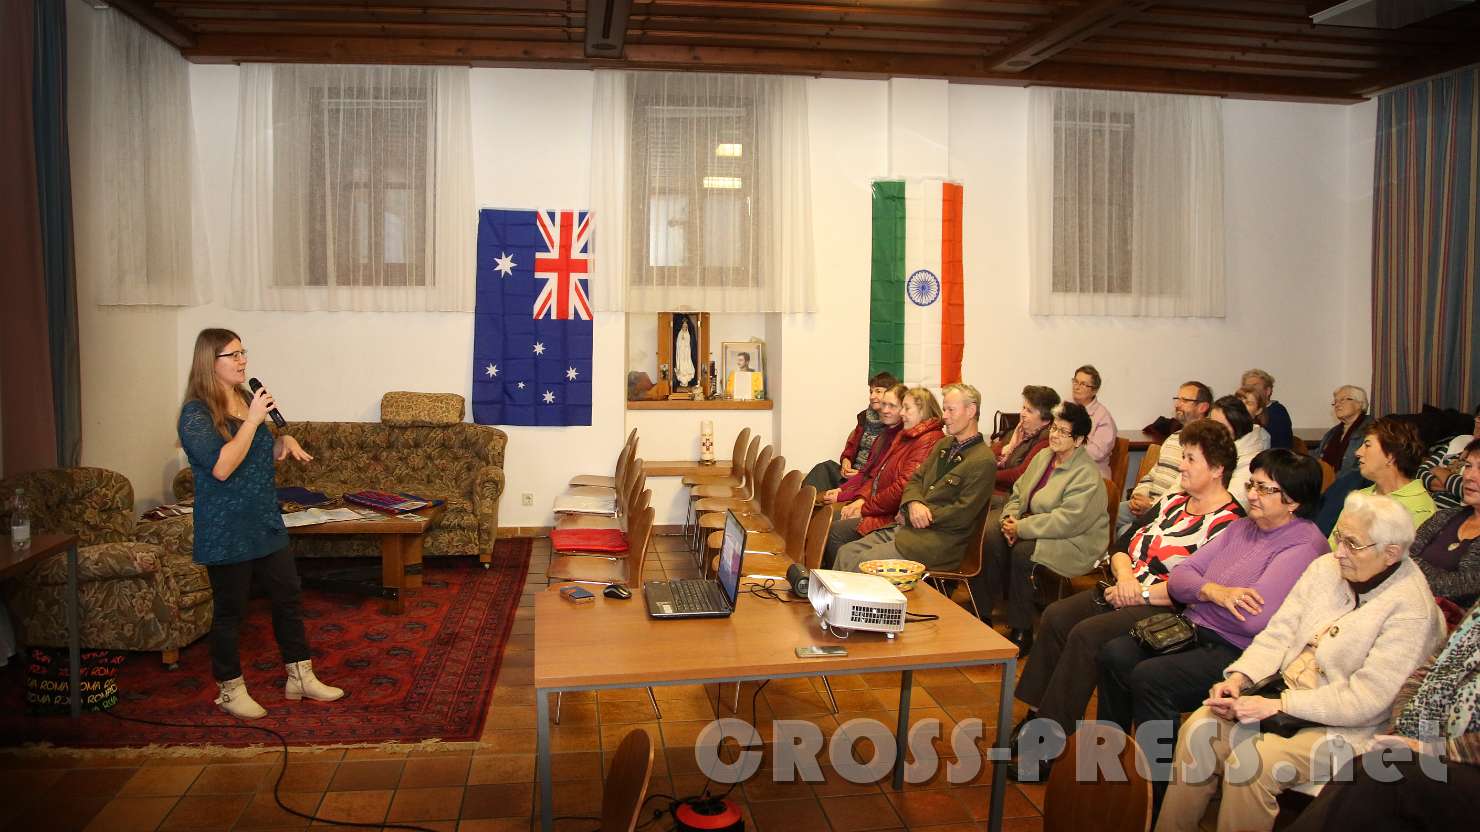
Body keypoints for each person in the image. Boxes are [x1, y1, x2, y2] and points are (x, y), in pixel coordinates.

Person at [1155, 492, 1446, 832]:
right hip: (1281, 696)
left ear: (1391, 553)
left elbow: (1367, 700)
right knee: (1198, 731)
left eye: (1352, 544)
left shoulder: (1411, 610)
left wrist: (1278, 706)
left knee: (1251, 765)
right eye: (1339, 538)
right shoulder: (1327, 569)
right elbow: (1278, 633)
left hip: (1347, 727)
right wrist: (1239, 678)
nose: (1338, 553)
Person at [1096, 449, 1329, 804]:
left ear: (1293, 501)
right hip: (1191, 627)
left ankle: (1154, 796)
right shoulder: (1243, 527)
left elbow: (1253, 619)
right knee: (1114, 654)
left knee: (1151, 678)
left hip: (1240, 652)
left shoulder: (1304, 545)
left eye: (1264, 489)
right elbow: (1180, 579)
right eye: (1252, 484)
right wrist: (1215, 592)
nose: (1250, 494)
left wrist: (1200, 594)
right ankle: (1111, 767)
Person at [1012, 419, 1243, 749]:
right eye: (1184, 456)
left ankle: (1047, 741)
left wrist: (1139, 592)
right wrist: (1127, 579)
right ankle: (1036, 713)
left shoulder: (1229, 524)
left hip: (1166, 608)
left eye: (1191, 458)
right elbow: (1122, 544)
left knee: (1086, 635)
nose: (1182, 465)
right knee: (1056, 616)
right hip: (1125, 585)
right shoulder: (1174, 501)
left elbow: (1194, 591)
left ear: (1218, 468)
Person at [177, 328, 343, 719]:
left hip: (264, 517)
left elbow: (250, 457)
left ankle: (300, 676)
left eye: (242, 353)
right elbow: (221, 468)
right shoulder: (196, 414)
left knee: (288, 595)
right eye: (232, 355)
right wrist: (253, 423)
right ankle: (230, 689)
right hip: (226, 526)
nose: (242, 361)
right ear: (209, 362)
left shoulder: (246, 397)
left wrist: (279, 445)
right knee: (232, 611)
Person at [1282, 596, 1480, 832]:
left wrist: (1431, 749)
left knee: (1386, 771)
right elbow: (1425, 673)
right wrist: (1403, 731)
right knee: (1368, 767)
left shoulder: (1411, 604)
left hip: (1465, 762)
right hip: (1431, 745)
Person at [977, 402, 1108, 655]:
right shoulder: (1044, 456)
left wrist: (1021, 527)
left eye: (1064, 432)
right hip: (1034, 524)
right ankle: (982, 614)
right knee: (992, 534)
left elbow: (1067, 521)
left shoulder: (1086, 474)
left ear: (1079, 440)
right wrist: (1009, 518)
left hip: (1076, 540)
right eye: (1055, 429)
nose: (1055, 435)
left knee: (1024, 552)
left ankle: (1022, 629)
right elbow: (1018, 492)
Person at [833, 383, 995, 574]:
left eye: (951, 410)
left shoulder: (983, 460)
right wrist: (913, 502)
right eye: (944, 409)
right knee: (846, 552)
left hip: (936, 543)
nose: (945, 416)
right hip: (908, 530)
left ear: (971, 411)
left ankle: (855, 604)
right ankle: (835, 604)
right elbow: (915, 480)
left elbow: (961, 513)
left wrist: (913, 513)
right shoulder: (944, 445)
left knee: (863, 562)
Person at [822, 386, 942, 566]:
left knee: (835, 532)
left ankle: (841, 583)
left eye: (905, 408)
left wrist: (865, 508)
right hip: (880, 507)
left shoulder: (927, 440)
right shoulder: (904, 435)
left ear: (923, 410)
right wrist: (860, 499)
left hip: (891, 515)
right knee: (827, 521)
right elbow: (875, 475)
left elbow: (902, 488)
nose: (901, 413)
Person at [1118, 381, 1214, 539]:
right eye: (1178, 399)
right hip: (1145, 503)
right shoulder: (1174, 437)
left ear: (1203, 407)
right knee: (1103, 513)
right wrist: (1138, 495)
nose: (1178, 404)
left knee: (1126, 532)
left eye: (1185, 400)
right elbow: (1153, 472)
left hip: (1168, 512)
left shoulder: (1204, 445)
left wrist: (1151, 506)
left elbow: (1186, 491)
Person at [1326, 417, 1436, 548]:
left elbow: (1407, 562)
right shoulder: (1359, 497)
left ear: (1390, 456)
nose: (1357, 452)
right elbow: (1332, 547)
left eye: (1367, 445)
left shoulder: (1420, 508)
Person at [1408, 436, 1480, 605]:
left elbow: (1458, 588)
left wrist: (1410, 568)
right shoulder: (1445, 516)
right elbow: (1403, 556)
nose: (1469, 476)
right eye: (1468, 466)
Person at [802, 371, 900, 493]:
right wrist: (846, 460)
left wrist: (861, 475)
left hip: (868, 480)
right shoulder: (864, 417)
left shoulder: (894, 426)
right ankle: (799, 507)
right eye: (871, 391)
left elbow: (886, 466)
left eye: (878, 391)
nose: (872, 396)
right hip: (850, 473)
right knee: (824, 468)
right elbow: (852, 446)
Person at [992, 385, 1061, 496]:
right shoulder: (1018, 431)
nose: (1022, 414)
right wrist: (1009, 447)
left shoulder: (1045, 442)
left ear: (1046, 420)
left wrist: (986, 475)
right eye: (1023, 408)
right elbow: (988, 458)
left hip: (1011, 495)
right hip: (995, 488)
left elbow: (1019, 475)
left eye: (1029, 411)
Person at [1416, 404, 1480, 510]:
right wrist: (1451, 483)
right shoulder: (1459, 441)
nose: (1479, 424)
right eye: (1479, 418)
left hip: (1452, 513)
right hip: (1427, 504)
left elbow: (1465, 487)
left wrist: (1438, 470)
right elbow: (1421, 472)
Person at [1209, 395, 1269, 508]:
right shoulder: (1212, 447)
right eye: (1211, 424)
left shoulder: (1252, 460)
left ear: (1238, 425)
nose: (1213, 432)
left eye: (1220, 427)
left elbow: (1234, 506)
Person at [1316, 384, 1373, 479]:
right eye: (1335, 401)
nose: (1337, 405)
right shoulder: (1332, 433)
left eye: (1343, 399)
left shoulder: (1371, 430)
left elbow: (1359, 471)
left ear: (1360, 404)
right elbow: (1318, 457)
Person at [1071, 365, 1117, 478]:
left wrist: (1069, 445)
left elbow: (1096, 453)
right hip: (1071, 469)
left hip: (1093, 475)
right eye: (1075, 381)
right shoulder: (1069, 409)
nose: (1076, 387)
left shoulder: (1103, 417)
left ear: (1094, 390)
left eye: (1083, 384)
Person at [1241, 369, 1292, 450]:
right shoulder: (1239, 411)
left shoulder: (1277, 412)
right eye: (1246, 387)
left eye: (1255, 386)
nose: (1250, 391)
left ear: (1268, 391)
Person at [1234, 385, 1273, 451]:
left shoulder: (1260, 437)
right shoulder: (1226, 428)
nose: (1241, 406)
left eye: (1248, 403)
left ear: (1258, 410)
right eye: (1239, 402)